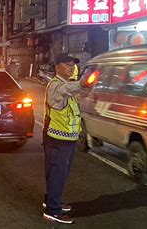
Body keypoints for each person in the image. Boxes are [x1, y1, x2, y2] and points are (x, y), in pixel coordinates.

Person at [42, 53, 89, 224]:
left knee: (56, 172)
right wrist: (82, 83)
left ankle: (51, 201)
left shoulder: (65, 84)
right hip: (57, 139)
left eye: (73, 65)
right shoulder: (57, 86)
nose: (71, 67)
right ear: (57, 67)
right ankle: (53, 211)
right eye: (67, 64)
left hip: (65, 138)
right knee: (57, 174)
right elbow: (67, 91)